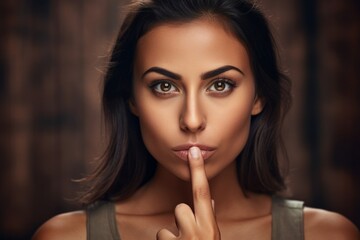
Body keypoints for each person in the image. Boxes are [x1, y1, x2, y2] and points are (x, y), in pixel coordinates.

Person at [32, 0, 359, 239]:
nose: (191, 120)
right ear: (132, 98)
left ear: (259, 97)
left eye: (220, 85)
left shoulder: (328, 235)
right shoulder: (67, 236)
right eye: (164, 86)